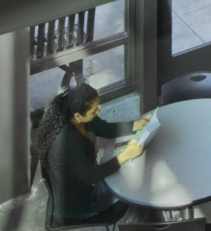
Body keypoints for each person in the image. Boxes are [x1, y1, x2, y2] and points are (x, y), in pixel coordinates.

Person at [34, 83, 149, 226]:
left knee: (130, 174)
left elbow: (104, 128)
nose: (98, 112)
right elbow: (90, 177)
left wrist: (133, 125)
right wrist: (124, 156)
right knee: (135, 188)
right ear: (78, 116)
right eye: (94, 111)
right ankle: (134, 225)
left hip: (80, 186)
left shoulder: (76, 111)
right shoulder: (68, 140)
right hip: (79, 206)